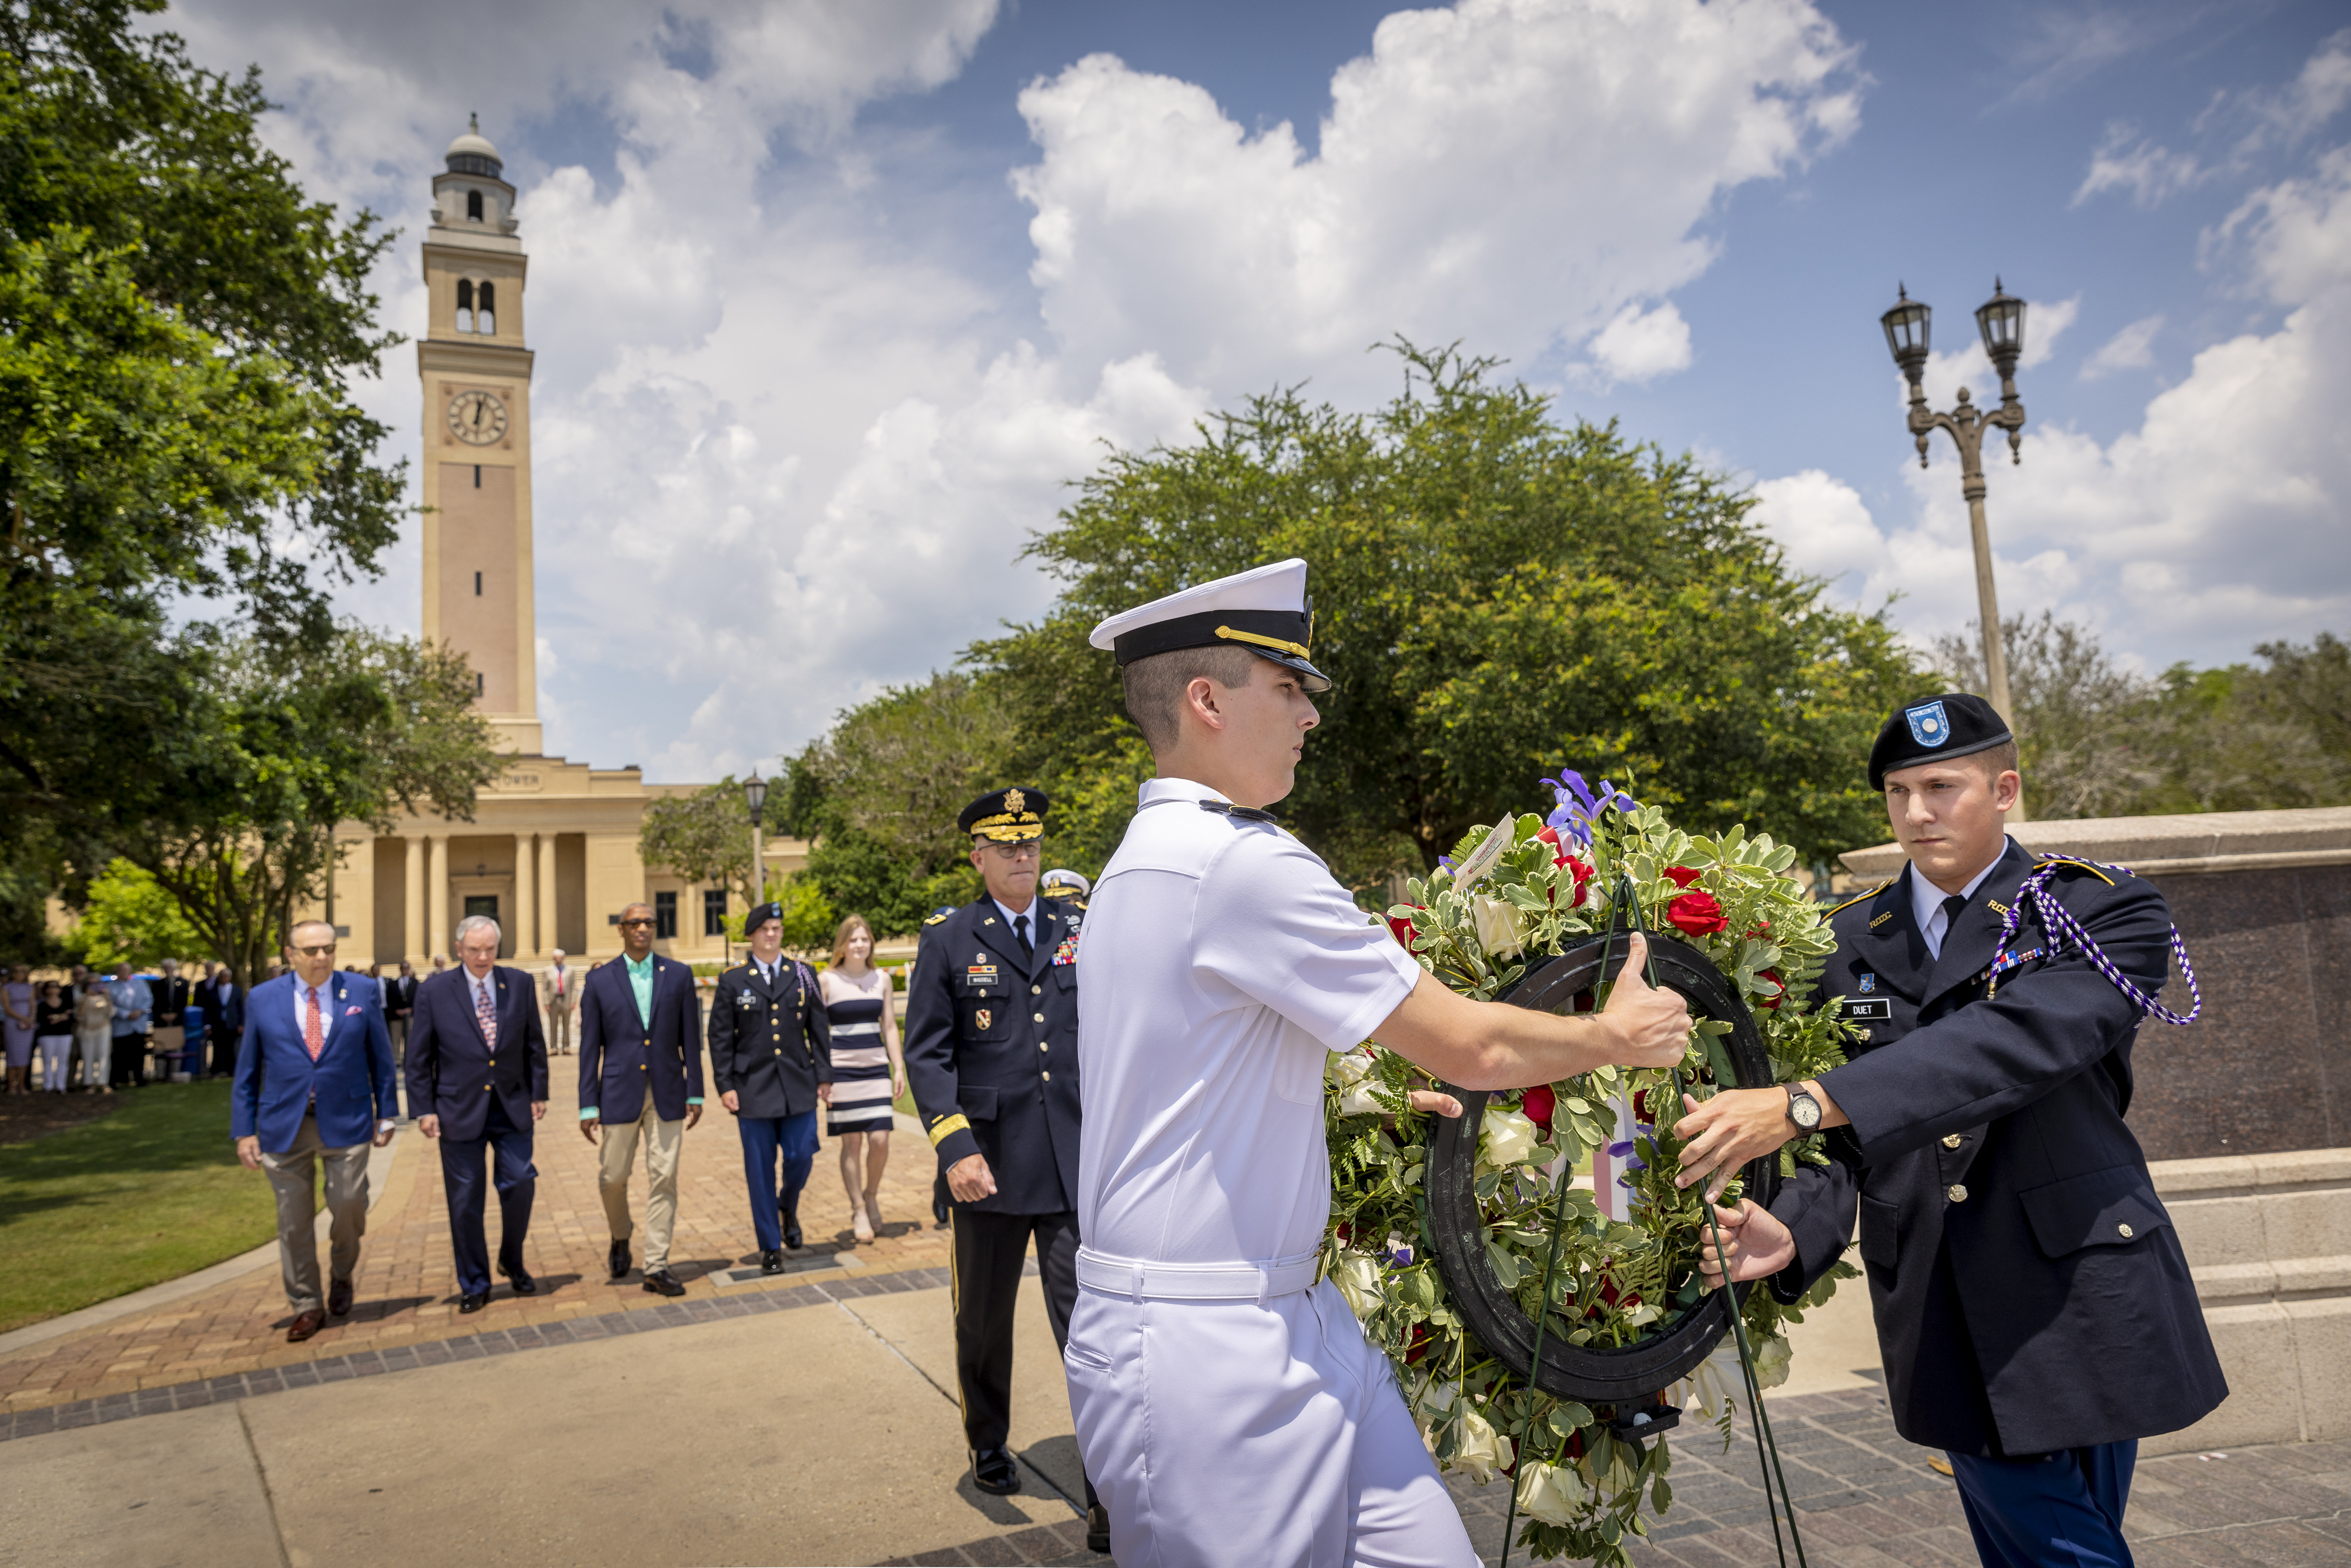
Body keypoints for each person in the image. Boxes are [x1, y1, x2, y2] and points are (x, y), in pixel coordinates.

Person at [1063, 558, 1693, 1567]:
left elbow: (1229, 1061)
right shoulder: (1238, 861)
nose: (1312, 714)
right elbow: (1473, 1042)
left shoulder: (1146, 859)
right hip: (1204, 1349)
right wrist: (1613, 1038)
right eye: (1289, 687)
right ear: (1206, 699)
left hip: (1291, 1318)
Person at [1673, 692, 2226, 1568]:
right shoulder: (1843, 943)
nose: (1917, 813)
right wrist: (1797, 1226)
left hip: (2077, 1274)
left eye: (1942, 786)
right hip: (1938, 1293)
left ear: (2005, 789)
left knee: (2061, 1534)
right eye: (1898, 792)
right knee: (2059, 1543)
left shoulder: (2096, 910)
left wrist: (1804, 1099)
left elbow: (2014, 1045)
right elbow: (1845, 1142)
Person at [905, 787, 1100, 1526]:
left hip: (1068, 1162)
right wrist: (954, 1146)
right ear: (978, 855)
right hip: (984, 1166)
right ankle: (988, 1441)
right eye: (1007, 846)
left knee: (1089, 1327)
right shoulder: (950, 938)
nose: (1024, 855)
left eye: (1032, 843)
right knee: (982, 1321)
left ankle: (1108, 1477)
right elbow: (927, 1054)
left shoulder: (1079, 926)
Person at [232, 920, 398, 1342]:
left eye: (328, 949)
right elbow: (248, 1068)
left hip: (347, 1120)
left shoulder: (360, 991)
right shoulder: (262, 999)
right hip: (283, 1125)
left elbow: (381, 1055)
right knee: (293, 1223)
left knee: (348, 1206)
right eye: (310, 951)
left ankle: (342, 1274)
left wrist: (389, 1111)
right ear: (290, 954)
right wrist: (243, 1130)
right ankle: (306, 1304)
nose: (321, 958)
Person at [406, 915, 550, 1313]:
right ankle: (475, 1281)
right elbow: (419, 1057)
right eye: (474, 950)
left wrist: (540, 1092)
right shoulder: (434, 991)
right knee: (465, 1199)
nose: (483, 957)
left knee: (521, 1182)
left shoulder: (519, 983)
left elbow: (534, 1042)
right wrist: (424, 1110)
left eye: (489, 949)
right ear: (459, 949)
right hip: (458, 1110)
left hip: (512, 1105)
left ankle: (512, 1258)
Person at [579, 904, 703, 1296]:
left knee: (664, 1176)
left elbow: (691, 1038)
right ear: (622, 930)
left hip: (668, 1091)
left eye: (649, 923)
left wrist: (696, 1090)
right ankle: (620, 1235)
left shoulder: (679, 975)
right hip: (618, 1092)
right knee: (612, 1177)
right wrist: (587, 1104)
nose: (643, 929)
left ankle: (655, 1264)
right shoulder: (600, 982)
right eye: (635, 923)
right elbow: (589, 1049)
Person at [706, 900, 830, 1269]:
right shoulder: (733, 979)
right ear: (751, 936)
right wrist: (725, 1084)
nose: (772, 934)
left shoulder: (804, 974)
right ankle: (770, 1245)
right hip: (752, 1087)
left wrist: (824, 1076)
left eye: (776, 928)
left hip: (798, 1083)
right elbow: (719, 1038)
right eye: (764, 929)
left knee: (802, 1154)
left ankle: (787, 1205)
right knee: (759, 1170)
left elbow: (819, 1028)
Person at [820, 913, 903, 1244]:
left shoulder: (882, 979)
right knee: (851, 1143)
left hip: (875, 1069)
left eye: (865, 939)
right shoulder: (826, 980)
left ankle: (871, 1195)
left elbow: (890, 1026)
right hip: (841, 1071)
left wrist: (898, 1067)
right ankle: (857, 1207)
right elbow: (816, 1032)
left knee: (880, 1139)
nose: (859, 945)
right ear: (843, 944)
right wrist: (822, 1075)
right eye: (853, 939)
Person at [104, 961, 151, 1088]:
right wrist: (126, 1014)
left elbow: (148, 999)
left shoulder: (140, 983)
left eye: (127, 970)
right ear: (117, 972)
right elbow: (110, 1005)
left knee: (139, 1054)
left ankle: (139, 1079)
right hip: (121, 1026)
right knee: (119, 1055)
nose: (125, 973)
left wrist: (140, 1011)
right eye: (122, 970)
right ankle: (117, 1080)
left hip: (138, 1025)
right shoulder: (111, 987)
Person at [150, 958, 191, 1083]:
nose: (168, 970)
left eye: (170, 968)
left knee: (176, 1048)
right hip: (161, 1022)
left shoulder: (183, 983)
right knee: (159, 1048)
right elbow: (154, 1002)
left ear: (174, 968)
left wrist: (176, 1014)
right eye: (166, 968)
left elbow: (184, 1001)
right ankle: (160, 1075)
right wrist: (162, 1015)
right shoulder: (158, 984)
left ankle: (175, 1075)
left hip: (176, 1021)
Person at [383, 959, 417, 1097]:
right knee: (395, 1040)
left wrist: (411, 1009)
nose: (405, 970)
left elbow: (418, 998)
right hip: (396, 1016)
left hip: (411, 1016)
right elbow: (389, 999)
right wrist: (397, 1010)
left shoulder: (415, 983)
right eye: (403, 967)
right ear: (400, 969)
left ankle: (409, 1060)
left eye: (407, 967)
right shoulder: (393, 983)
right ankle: (397, 1062)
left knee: (410, 1039)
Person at [73, 976, 113, 1092]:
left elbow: (111, 1013)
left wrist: (107, 997)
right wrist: (87, 997)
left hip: (103, 1029)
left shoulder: (105, 998)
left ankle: (103, 1083)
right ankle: (89, 1083)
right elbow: (79, 1016)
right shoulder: (81, 999)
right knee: (88, 1056)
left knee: (104, 1056)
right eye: (91, 984)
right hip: (87, 1030)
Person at [34, 981, 73, 1093]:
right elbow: (44, 1020)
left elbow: (70, 1018)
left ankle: (61, 1085)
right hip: (47, 1035)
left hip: (64, 1034)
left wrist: (54, 1017)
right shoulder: (42, 1005)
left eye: (56, 987)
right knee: (47, 1060)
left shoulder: (66, 1003)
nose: (53, 989)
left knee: (63, 1060)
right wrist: (61, 1017)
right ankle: (48, 1086)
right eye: (50, 987)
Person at [206, 966, 244, 1080]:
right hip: (217, 1024)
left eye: (226, 976)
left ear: (230, 977)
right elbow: (208, 1009)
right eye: (222, 976)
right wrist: (207, 1025)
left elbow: (241, 1008)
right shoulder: (212, 991)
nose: (224, 978)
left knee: (231, 1049)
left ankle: (231, 1070)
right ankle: (215, 1071)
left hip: (232, 1024)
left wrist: (241, 1024)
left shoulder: (237, 990)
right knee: (217, 1048)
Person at [2, 964, 34, 1094]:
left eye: (23, 971)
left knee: (24, 1054)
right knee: (12, 1054)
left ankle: (22, 1085)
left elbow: (32, 1004)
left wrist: (30, 1018)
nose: (20, 974)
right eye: (17, 971)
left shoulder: (29, 988)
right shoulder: (6, 988)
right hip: (12, 1024)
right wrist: (22, 1018)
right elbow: (7, 1008)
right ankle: (11, 1087)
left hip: (27, 1025)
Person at [541, 949, 577, 1055]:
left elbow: (573, 986)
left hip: (566, 999)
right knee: (553, 1025)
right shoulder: (547, 970)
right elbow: (545, 989)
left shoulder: (570, 970)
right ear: (553, 958)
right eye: (557, 957)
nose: (559, 959)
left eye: (561, 957)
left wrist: (573, 1001)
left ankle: (566, 1047)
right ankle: (553, 1047)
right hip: (554, 1000)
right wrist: (546, 1003)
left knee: (566, 1025)